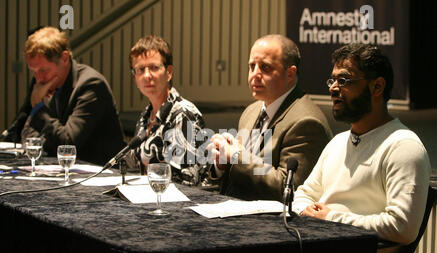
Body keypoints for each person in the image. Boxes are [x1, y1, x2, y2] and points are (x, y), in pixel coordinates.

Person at [292, 43, 431, 253]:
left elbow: (402, 227)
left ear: (377, 87)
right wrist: (305, 210)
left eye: (344, 80)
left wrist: (331, 219)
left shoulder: (403, 147)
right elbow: (303, 193)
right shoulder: (338, 142)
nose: (334, 88)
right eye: (332, 80)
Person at [207, 34, 332, 201]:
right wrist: (222, 164)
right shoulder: (251, 111)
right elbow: (242, 174)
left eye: (265, 68)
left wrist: (237, 156)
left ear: (290, 73)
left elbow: (289, 191)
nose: (255, 75)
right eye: (252, 66)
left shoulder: (307, 123)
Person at [5, 26, 126, 166]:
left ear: (64, 58)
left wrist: (39, 108)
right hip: (61, 172)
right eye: (34, 71)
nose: (38, 79)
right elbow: (28, 134)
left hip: (99, 175)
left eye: (43, 70)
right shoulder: (48, 84)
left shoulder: (90, 85)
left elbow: (68, 144)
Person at [127, 35, 205, 185]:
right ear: (134, 77)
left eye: (154, 68)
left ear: (169, 72)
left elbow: (187, 181)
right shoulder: (146, 115)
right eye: (140, 69)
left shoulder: (183, 114)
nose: (147, 75)